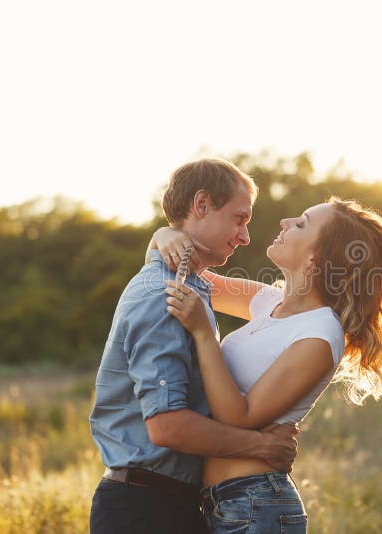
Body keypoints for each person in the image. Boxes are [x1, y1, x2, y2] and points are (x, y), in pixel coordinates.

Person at [153, 196, 382, 533]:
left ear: (316, 258)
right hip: (222, 501)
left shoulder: (321, 333)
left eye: (300, 224)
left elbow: (238, 417)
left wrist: (203, 333)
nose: (285, 223)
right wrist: (163, 237)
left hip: (257, 504)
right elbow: (180, 278)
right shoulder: (270, 302)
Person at [89, 158, 300, 534]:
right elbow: (167, 427)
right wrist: (261, 447)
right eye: (239, 219)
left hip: (168, 502)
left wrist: (161, 236)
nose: (245, 236)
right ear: (201, 205)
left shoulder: (195, 287)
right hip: (144, 510)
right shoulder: (165, 292)